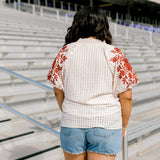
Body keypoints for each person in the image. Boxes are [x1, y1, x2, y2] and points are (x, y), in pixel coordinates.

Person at [47, 6, 139, 160]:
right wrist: (123, 126)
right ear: (103, 26)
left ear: (77, 25)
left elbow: (57, 90)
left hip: (72, 122)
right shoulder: (114, 54)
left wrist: (69, 112)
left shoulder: (65, 52)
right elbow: (127, 96)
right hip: (106, 123)